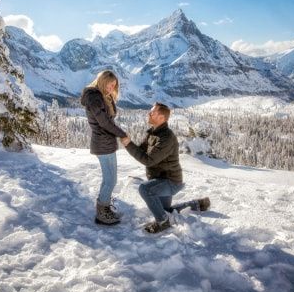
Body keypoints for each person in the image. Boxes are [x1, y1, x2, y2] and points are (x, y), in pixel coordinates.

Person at [122, 102, 210, 234]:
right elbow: (140, 151)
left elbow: (148, 160)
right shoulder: (153, 133)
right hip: (160, 180)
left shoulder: (166, 137)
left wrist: (128, 144)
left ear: (162, 118)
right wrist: (128, 142)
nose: (149, 113)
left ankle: (163, 221)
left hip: (170, 181)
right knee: (166, 210)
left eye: (153, 112)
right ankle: (197, 204)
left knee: (145, 189)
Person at [80, 70, 129, 225]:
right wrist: (122, 134)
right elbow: (104, 123)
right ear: (102, 81)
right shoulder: (94, 98)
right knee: (110, 180)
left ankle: (105, 206)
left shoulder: (103, 96)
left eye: (114, 86)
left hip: (107, 143)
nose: (112, 88)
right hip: (102, 143)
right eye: (110, 84)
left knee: (109, 179)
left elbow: (108, 120)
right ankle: (102, 213)